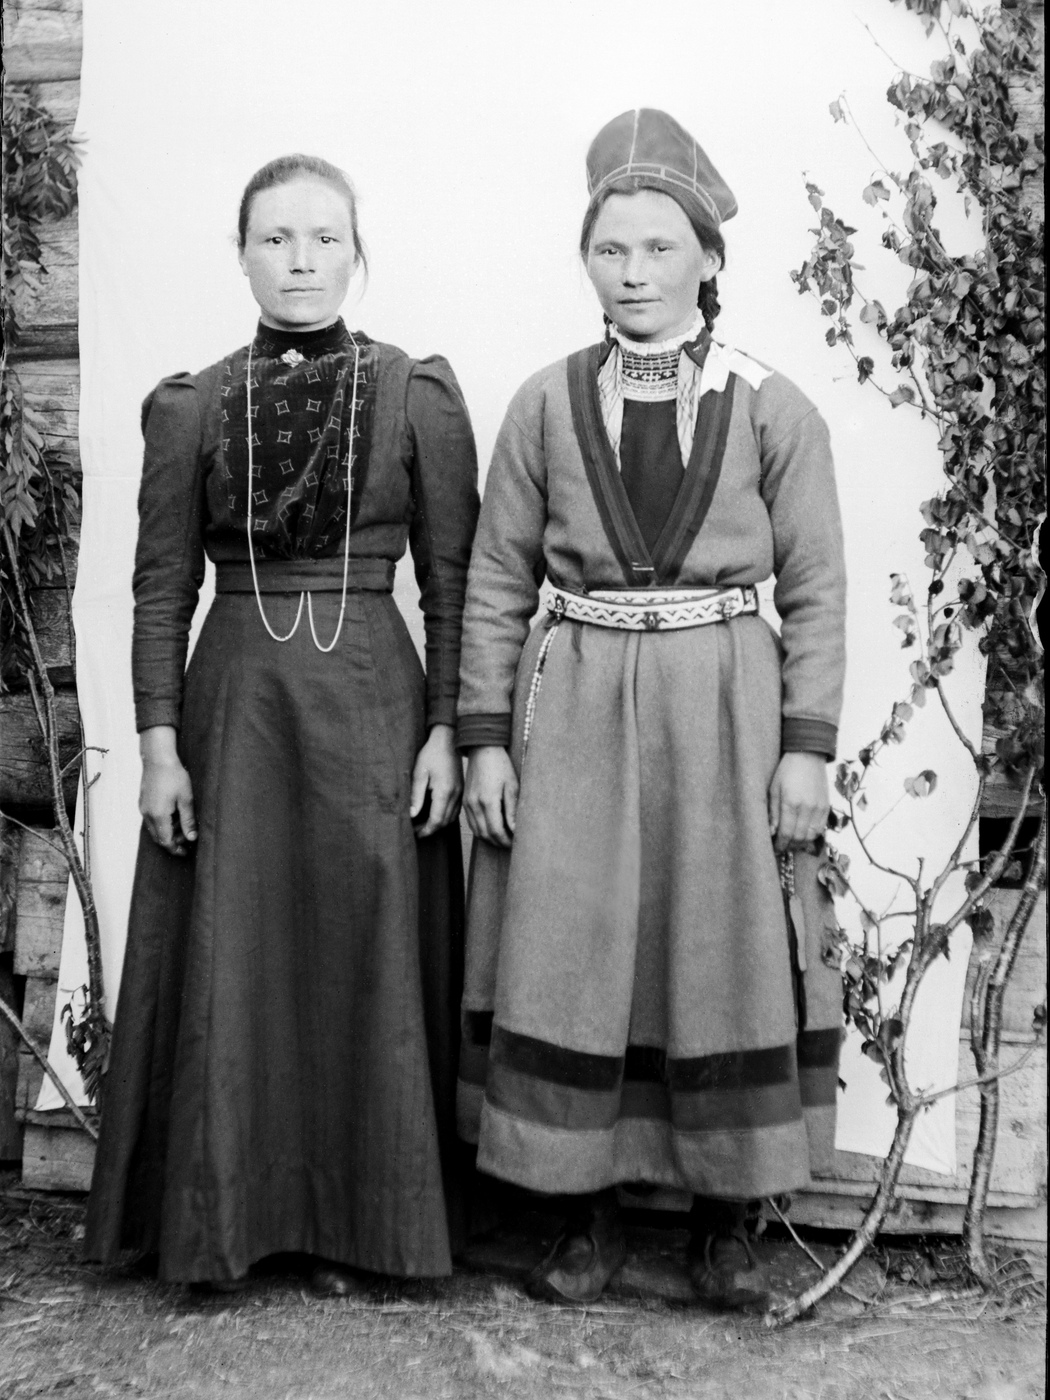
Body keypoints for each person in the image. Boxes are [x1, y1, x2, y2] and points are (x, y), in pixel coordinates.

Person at [456, 110, 847, 1309]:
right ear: (586, 258)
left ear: (709, 258)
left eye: (660, 248)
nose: (633, 272)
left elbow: (818, 587)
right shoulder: (544, 403)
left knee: (722, 940)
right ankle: (582, 1213)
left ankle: (728, 1222)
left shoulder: (774, 407)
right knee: (574, 941)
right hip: (576, 706)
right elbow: (496, 578)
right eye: (610, 249)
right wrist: (484, 738)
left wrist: (805, 750)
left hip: (723, 710)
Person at [83, 155, 480, 1292]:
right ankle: (229, 1221)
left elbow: (453, 584)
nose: (300, 262)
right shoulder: (193, 405)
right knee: (241, 949)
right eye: (275, 239)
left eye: (323, 238)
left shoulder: (413, 392)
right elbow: (162, 586)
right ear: (242, 253)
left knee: (365, 950)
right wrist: (160, 745)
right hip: (239, 712)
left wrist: (446, 729)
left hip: (373, 699)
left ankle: (371, 1228)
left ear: (357, 252)